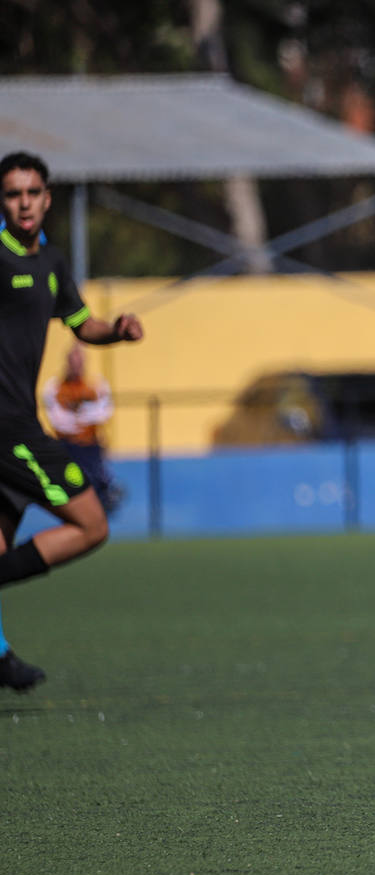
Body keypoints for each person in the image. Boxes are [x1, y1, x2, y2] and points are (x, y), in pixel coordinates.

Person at [0, 150, 144, 692]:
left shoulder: (52, 262)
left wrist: (119, 330)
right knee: (92, 524)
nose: (23, 203)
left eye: (31, 192)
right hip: (8, 428)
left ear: (47, 197)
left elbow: (82, 323)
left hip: (16, 422)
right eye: (12, 194)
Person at [43, 343, 122, 513]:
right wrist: (81, 417)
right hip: (67, 448)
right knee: (71, 492)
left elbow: (103, 412)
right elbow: (58, 420)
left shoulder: (94, 386)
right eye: (73, 361)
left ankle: (106, 489)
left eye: (80, 361)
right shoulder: (56, 388)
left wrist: (80, 414)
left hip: (90, 447)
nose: (77, 365)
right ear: (67, 362)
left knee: (97, 488)